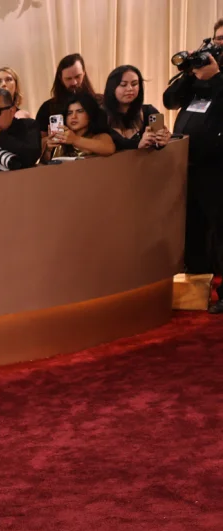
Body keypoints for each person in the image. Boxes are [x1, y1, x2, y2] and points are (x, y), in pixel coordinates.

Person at [164, 20, 223, 312]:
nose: (219, 44)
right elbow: (169, 99)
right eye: (217, 39)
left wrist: (216, 78)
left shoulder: (217, 78)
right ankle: (197, 288)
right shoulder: (202, 73)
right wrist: (190, 72)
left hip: (218, 166)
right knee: (195, 229)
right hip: (190, 164)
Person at [103, 65, 170, 151]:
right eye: (123, 85)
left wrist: (161, 141)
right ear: (112, 88)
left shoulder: (149, 112)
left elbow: (157, 146)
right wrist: (138, 144)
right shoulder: (101, 116)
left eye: (134, 84)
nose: (130, 88)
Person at [35, 54, 99, 141]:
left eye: (77, 76)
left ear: (84, 73)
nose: (74, 82)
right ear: (60, 78)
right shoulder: (47, 107)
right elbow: (38, 142)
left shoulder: (98, 101)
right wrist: (48, 142)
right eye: (68, 79)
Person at [41, 93, 116, 163]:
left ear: (90, 114)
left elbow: (109, 149)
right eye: (69, 113)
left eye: (80, 111)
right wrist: (48, 150)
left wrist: (75, 139)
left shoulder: (99, 136)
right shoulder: (61, 140)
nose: (73, 117)